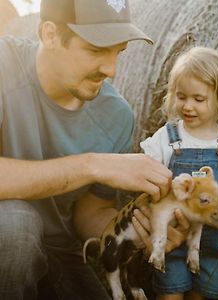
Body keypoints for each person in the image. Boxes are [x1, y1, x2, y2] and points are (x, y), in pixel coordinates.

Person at [0, 0, 190, 299]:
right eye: (96, 49)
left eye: (119, 51)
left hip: (58, 250)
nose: (111, 69)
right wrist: (93, 164)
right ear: (50, 35)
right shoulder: (4, 66)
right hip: (8, 240)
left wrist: (137, 231)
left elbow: (89, 212)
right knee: (15, 223)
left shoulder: (117, 116)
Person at [140, 47, 218, 300]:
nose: (187, 106)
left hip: (212, 241)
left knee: (203, 292)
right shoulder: (167, 138)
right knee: (169, 291)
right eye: (181, 96)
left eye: (198, 99)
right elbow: (150, 178)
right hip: (172, 233)